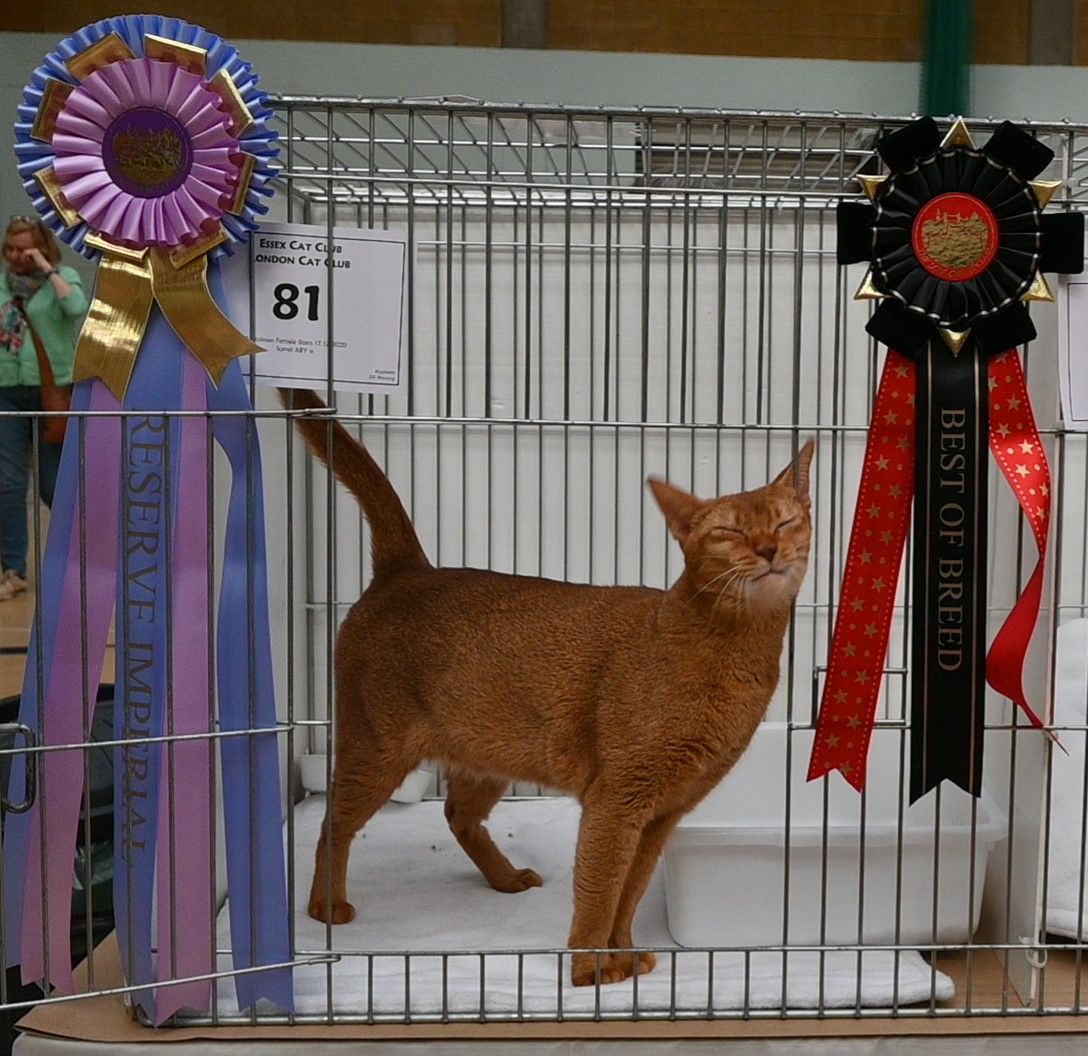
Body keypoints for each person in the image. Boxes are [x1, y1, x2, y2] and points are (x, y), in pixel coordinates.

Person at [0, 217, 87, 600]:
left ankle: (81, 557)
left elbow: (75, 306)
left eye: (25, 249)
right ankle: (13, 569)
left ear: (41, 248)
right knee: (9, 484)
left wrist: (47, 269)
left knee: (54, 485)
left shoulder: (62, 277)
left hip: (54, 390)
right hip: (7, 390)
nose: (17, 257)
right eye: (11, 250)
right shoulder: (2, 286)